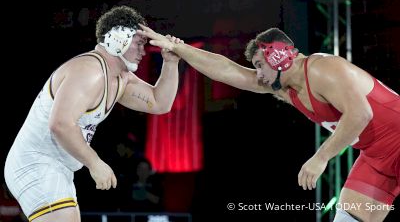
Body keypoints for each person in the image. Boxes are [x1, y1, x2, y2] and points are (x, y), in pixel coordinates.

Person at [138, 25, 400, 222]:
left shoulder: (323, 69)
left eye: (260, 65)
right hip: (376, 157)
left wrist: (320, 158)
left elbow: (360, 115)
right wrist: (180, 49)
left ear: (279, 56)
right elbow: (228, 71)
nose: (259, 75)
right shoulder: (287, 89)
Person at [4, 6, 183, 222]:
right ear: (118, 39)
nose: (143, 52)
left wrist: (171, 64)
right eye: (138, 43)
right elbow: (60, 124)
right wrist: (94, 162)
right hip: (36, 162)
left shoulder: (119, 78)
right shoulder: (90, 71)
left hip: (56, 166)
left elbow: (159, 103)